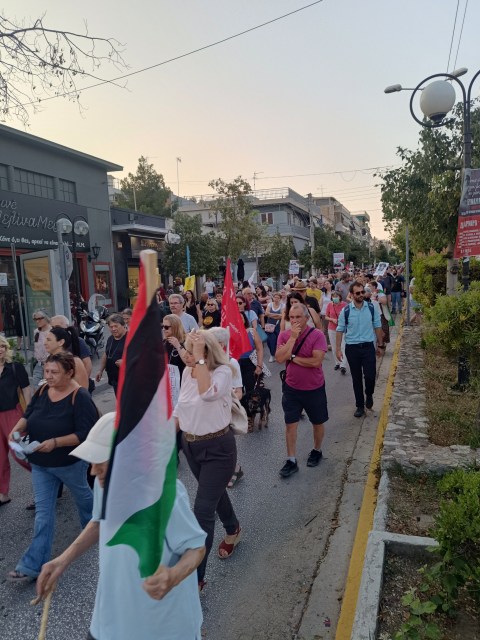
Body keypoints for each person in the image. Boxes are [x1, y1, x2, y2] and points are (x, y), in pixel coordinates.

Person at [36, 413, 206, 640]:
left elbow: (196, 548)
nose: (93, 471)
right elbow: (99, 522)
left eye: (101, 460)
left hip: (162, 627)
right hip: (109, 619)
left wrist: (173, 576)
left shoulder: (165, 494)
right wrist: (62, 560)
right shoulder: (104, 484)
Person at [7, 352, 97, 580]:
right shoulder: (42, 391)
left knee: (84, 497)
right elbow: (28, 415)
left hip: (69, 464)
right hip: (40, 464)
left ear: (69, 372)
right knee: (43, 515)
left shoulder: (80, 396)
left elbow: (85, 434)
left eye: (54, 372)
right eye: (46, 371)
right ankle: (32, 566)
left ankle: (94, 529)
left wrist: (55, 442)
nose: (48, 376)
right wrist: (16, 430)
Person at [173, 331, 241, 590]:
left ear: (206, 352)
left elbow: (207, 394)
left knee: (202, 511)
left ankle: (196, 579)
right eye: (187, 349)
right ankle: (233, 528)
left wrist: (199, 358)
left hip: (218, 449)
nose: (186, 355)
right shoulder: (187, 371)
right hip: (190, 445)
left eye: (191, 350)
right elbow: (180, 407)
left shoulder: (223, 372)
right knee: (212, 493)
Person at [276, 304, 329, 478]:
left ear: (306, 318)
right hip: (291, 388)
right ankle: (291, 460)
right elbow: (279, 358)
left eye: (298, 317)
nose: (294, 321)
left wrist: (292, 357)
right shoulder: (285, 335)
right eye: (291, 317)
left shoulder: (317, 335)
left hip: (314, 388)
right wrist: (292, 339)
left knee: (317, 422)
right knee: (290, 424)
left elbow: (315, 362)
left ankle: (317, 450)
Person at [335, 281, 385, 418]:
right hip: (352, 348)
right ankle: (360, 406)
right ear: (351, 294)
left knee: (370, 376)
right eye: (358, 293)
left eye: (363, 292)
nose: (361, 295)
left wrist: (380, 345)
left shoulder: (371, 308)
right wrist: (338, 349)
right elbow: (339, 330)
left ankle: (369, 394)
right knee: (356, 378)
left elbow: (378, 326)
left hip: (368, 346)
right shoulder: (345, 311)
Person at [208, 327, 244, 489]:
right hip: (208, 411)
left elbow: (239, 391)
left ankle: (235, 469)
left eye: (211, 342)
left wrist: (224, 400)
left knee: (225, 445)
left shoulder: (231, 362)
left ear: (221, 344)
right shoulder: (205, 362)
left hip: (224, 410)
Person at [0, 335, 32, 506]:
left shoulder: (15, 367)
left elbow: (26, 390)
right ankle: (3, 493)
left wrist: (30, 414)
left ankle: (48, 478)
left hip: (13, 414)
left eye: (2, 346)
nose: (0, 349)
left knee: (20, 453)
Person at [96, 314, 127, 396]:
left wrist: (126, 363)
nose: (113, 329)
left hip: (128, 382)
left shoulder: (131, 338)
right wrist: (100, 370)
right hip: (114, 379)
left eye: (116, 326)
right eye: (111, 327)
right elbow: (106, 354)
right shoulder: (110, 338)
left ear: (123, 325)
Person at [325, 292, 347, 373]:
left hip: (342, 329)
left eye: (336, 296)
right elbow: (326, 316)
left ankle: (343, 365)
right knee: (334, 347)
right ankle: (337, 363)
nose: (335, 298)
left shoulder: (345, 305)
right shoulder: (330, 305)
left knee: (343, 347)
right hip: (332, 328)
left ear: (340, 297)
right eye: (333, 296)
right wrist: (332, 319)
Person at [32, 309, 51, 388]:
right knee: (36, 388)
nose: (37, 321)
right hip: (39, 364)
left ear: (46, 318)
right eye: (35, 319)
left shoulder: (52, 331)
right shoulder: (36, 332)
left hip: (51, 364)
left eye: (40, 318)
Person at [264, 292, 284, 363]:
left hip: (278, 325)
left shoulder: (282, 305)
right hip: (269, 325)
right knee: (270, 341)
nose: (276, 299)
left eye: (278, 298)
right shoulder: (270, 304)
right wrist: (277, 315)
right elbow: (266, 314)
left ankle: (276, 354)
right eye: (275, 297)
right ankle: (272, 355)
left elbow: (282, 316)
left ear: (280, 299)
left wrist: (271, 315)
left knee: (278, 340)